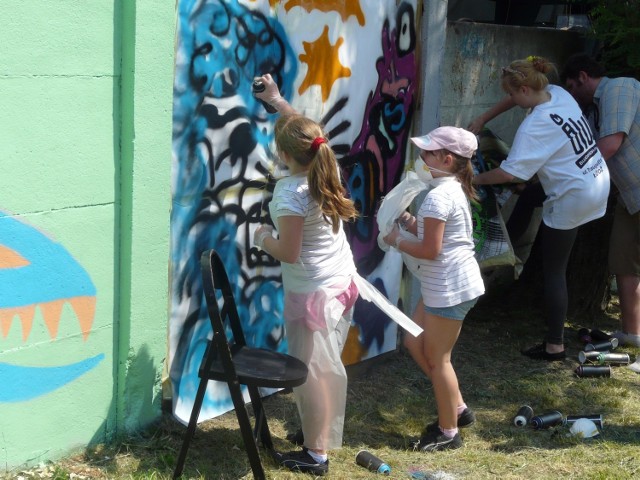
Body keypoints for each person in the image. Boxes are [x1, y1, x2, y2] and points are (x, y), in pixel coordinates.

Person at [252, 73, 359, 475]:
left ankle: (316, 455)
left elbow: (289, 252)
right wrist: (279, 102)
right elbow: (307, 136)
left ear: (283, 155)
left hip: (312, 295)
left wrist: (262, 236)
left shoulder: (289, 192)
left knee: (310, 372)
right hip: (341, 284)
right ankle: (317, 432)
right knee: (325, 367)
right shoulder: (322, 167)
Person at [473, 56, 610, 361]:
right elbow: (514, 101)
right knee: (528, 195)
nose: (509, 98)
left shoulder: (534, 126)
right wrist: (484, 118)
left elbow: (510, 174)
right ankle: (504, 243)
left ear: (523, 89)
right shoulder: (558, 94)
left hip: (573, 195)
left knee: (554, 270)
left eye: (511, 92)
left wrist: (472, 178)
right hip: (595, 178)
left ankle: (554, 345)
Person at [382, 126, 485, 451]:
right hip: (446, 284)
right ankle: (456, 407)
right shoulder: (449, 189)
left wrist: (396, 239)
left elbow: (430, 251)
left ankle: (448, 431)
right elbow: (435, 236)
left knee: (439, 359)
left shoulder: (439, 195)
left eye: (428, 153)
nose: (422, 158)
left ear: (447, 158)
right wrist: (411, 223)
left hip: (449, 288)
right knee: (414, 340)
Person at [562, 54, 640, 370]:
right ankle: (632, 333)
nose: (570, 95)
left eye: (570, 87)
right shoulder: (594, 107)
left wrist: (567, 177)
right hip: (631, 198)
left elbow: (610, 144)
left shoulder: (619, 88)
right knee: (623, 261)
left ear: (582, 77)